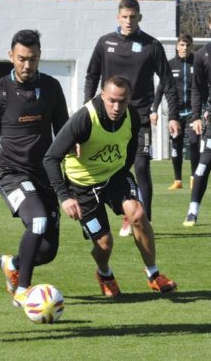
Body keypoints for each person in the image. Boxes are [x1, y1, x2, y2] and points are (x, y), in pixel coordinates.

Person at [44, 75, 177, 298]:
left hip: (115, 177)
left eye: (122, 101)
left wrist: (121, 174)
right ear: (102, 96)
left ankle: (154, 274)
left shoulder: (132, 117)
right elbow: (50, 158)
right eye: (111, 100)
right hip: (83, 186)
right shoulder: (84, 118)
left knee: (138, 214)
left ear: (129, 99)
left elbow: (130, 149)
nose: (116, 107)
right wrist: (65, 197)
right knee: (104, 244)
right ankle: (105, 274)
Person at [0, 30, 69, 308]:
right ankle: (23, 290)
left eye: (33, 59)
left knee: (47, 251)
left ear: (39, 57)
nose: (27, 65)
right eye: (21, 59)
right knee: (38, 221)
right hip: (11, 173)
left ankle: (12, 263)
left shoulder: (52, 87)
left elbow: (64, 132)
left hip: (44, 176)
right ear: (10, 56)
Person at [84, 0, 180, 237]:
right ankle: (122, 214)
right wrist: (87, 108)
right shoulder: (105, 43)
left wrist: (174, 116)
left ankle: (144, 220)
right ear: (118, 17)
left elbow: (168, 82)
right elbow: (91, 76)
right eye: (124, 17)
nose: (128, 21)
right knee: (111, 166)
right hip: (109, 120)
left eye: (133, 17)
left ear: (140, 17)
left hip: (140, 120)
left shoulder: (151, 46)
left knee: (140, 166)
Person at [183, 7, 211, 227]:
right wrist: (196, 117)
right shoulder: (203, 54)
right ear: (210, 24)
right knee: (202, 166)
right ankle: (192, 211)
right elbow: (197, 89)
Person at [152, 34, 200, 191]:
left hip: (193, 112)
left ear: (191, 47)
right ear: (177, 46)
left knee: (193, 142)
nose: (185, 48)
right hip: (175, 114)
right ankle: (178, 180)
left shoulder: (197, 64)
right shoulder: (170, 65)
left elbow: (205, 87)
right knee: (176, 146)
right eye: (182, 45)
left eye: (188, 45)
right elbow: (160, 90)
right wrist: (154, 109)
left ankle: (194, 178)